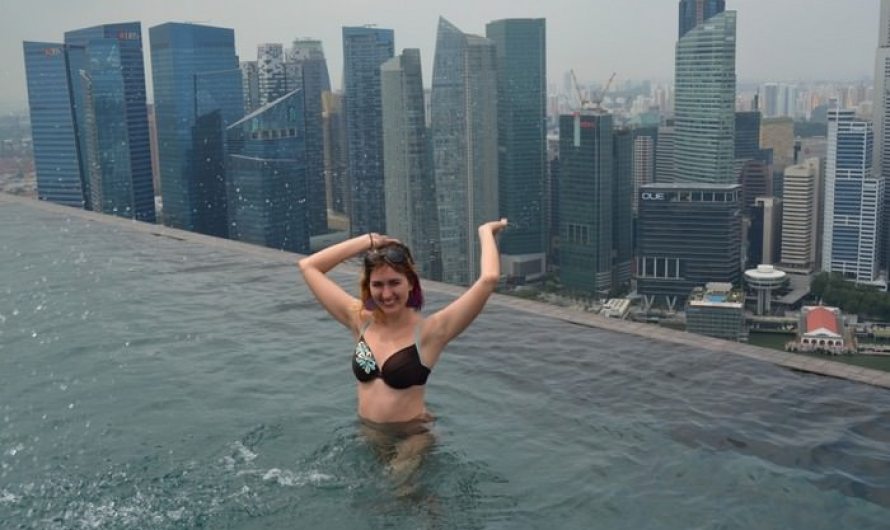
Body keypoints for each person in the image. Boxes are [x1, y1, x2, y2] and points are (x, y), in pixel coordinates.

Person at [298, 219, 507, 479]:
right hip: (367, 433)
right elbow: (309, 267)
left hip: (411, 438)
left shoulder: (433, 332)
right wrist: (369, 241)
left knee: (397, 497)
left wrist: (485, 231)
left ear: (411, 282)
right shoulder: (359, 320)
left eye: (394, 283)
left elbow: (489, 279)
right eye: (378, 285)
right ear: (368, 287)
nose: (386, 294)